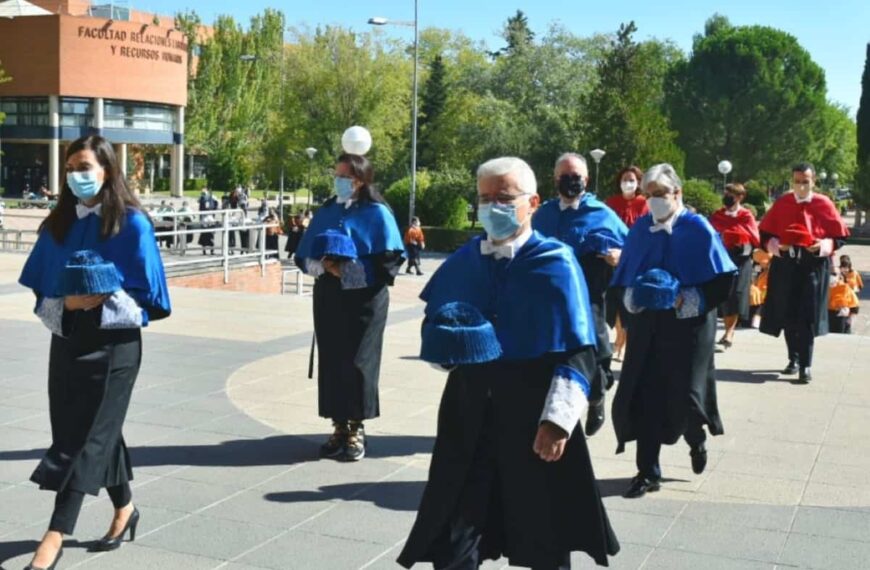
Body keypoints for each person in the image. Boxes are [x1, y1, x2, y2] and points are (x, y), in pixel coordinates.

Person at [398, 156, 619, 570]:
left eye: (503, 198)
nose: (492, 207)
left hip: (535, 415)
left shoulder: (556, 261)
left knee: (543, 534)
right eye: (484, 198)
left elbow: (579, 350)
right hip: (469, 410)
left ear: (532, 202)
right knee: (454, 537)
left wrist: (558, 421)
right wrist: (447, 344)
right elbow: (438, 326)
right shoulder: (466, 259)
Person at [17, 135, 171, 570]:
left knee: (83, 438)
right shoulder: (58, 224)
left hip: (114, 346)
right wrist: (67, 304)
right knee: (93, 428)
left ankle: (54, 536)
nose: (76, 176)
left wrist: (105, 297)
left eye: (84, 167)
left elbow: (152, 299)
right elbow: (42, 285)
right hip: (68, 337)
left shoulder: (133, 225)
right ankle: (126, 508)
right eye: (70, 169)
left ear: (107, 170)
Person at [609, 163, 736, 498]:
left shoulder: (698, 228)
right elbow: (623, 279)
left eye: (660, 193)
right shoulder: (640, 230)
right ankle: (647, 471)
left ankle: (696, 438)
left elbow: (723, 281)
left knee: (687, 394)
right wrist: (635, 297)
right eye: (648, 194)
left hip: (689, 325)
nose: (653, 200)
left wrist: (685, 299)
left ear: (677, 193)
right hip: (649, 325)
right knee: (646, 394)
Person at [295, 153, 405, 461]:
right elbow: (303, 254)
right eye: (337, 175)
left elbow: (389, 263)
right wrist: (324, 266)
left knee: (359, 362)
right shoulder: (327, 210)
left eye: (344, 176)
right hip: (329, 297)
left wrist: (347, 271)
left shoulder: (377, 212)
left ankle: (357, 427)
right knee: (331, 360)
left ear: (360, 180)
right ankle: (338, 426)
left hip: (365, 300)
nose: (339, 181)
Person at [532, 152, 628, 437]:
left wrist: (618, 256)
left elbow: (631, 250)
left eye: (576, 176)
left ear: (586, 179)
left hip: (588, 296)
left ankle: (597, 396)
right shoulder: (544, 214)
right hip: (547, 297)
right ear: (555, 179)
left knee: (593, 352)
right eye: (565, 176)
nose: (570, 181)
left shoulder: (602, 213)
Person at [759, 163, 849, 383]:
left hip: (813, 267)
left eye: (805, 182)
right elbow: (765, 234)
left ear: (813, 181)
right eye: (797, 181)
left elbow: (839, 237)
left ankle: (806, 365)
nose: (801, 186)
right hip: (785, 266)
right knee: (788, 314)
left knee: (807, 316)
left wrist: (822, 246)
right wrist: (776, 246)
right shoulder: (783, 203)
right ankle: (794, 359)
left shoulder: (823, 203)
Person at [604, 166, 649, 360]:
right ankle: (619, 339)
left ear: (638, 183)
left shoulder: (644, 203)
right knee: (613, 302)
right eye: (624, 179)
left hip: (634, 261)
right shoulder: (611, 203)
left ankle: (623, 343)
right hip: (611, 260)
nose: (627, 183)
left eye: (631, 179)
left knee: (627, 303)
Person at [709, 183, 761, 348]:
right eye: (726, 194)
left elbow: (755, 238)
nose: (727, 197)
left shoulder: (746, 216)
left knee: (736, 295)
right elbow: (709, 234)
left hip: (740, 259)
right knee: (724, 295)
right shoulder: (717, 215)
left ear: (740, 197)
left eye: (731, 195)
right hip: (721, 259)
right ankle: (726, 330)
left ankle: (729, 333)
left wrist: (739, 237)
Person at [827, 266, 859, 334]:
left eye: (834, 274)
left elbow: (855, 306)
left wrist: (850, 320)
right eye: (829, 273)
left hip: (840, 317)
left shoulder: (845, 287)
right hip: (825, 316)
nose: (831, 276)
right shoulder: (821, 287)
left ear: (839, 276)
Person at [749, 249, 772, 329]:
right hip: (757, 287)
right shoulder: (757, 267)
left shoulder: (770, 270)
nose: (761, 264)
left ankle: (756, 319)